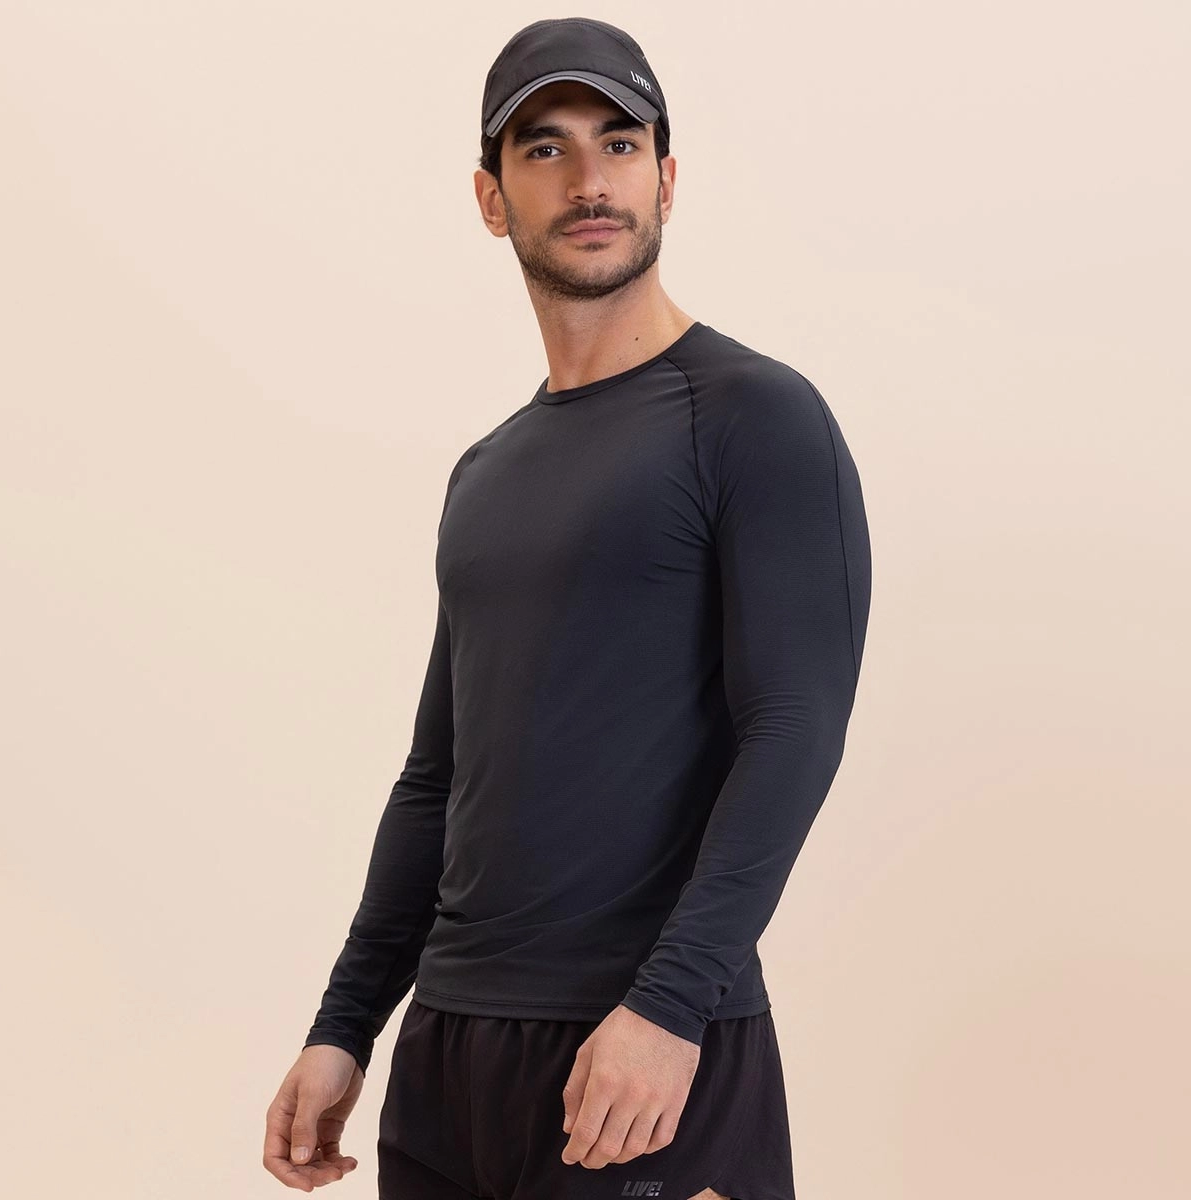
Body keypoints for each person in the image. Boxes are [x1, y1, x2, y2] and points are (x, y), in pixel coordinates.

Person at [263, 17, 872, 1200]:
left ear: (667, 180)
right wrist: (348, 1023)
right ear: (492, 199)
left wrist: (670, 1006)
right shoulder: (486, 472)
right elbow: (438, 777)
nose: (590, 178)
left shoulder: (755, 417)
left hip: (639, 1059)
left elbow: (795, 727)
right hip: (447, 1060)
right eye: (545, 148)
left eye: (620, 142)